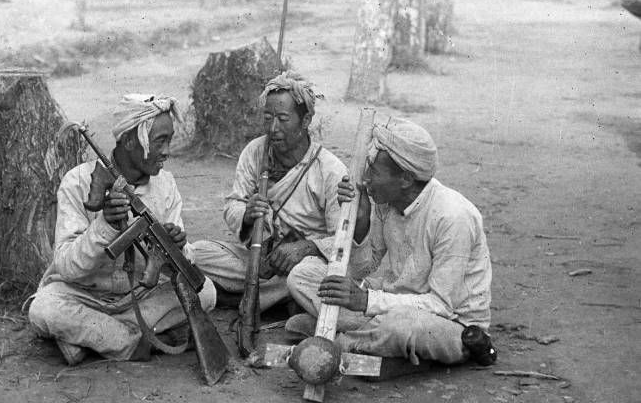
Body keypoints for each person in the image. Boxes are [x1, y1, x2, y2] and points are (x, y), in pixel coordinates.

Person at [286, 116, 492, 368]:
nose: (364, 178)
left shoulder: (453, 216)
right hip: (392, 300)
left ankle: (338, 342)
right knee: (303, 274)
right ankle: (364, 338)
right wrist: (360, 219)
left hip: (448, 322)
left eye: (373, 170)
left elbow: (441, 305)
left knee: (402, 326)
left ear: (405, 179)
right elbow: (364, 266)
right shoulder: (387, 202)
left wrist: (366, 301)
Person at [28, 94, 216, 366]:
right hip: (84, 295)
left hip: (140, 296)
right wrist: (103, 227)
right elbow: (67, 267)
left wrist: (177, 247)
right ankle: (129, 342)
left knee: (206, 292)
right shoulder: (78, 182)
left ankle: (94, 337)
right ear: (129, 141)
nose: (167, 151)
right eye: (159, 141)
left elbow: (178, 269)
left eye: (169, 140)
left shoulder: (166, 186)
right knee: (43, 309)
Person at [191, 72, 348, 313]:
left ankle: (243, 298)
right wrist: (246, 213)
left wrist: (305, 248)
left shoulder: (330, 170)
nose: (273, 128)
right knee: (196, 253)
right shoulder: (255, 151)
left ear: (305, 120)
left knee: (302, 277)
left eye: (283, 119)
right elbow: (233, 204)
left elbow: (341, 241)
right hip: (258, 257)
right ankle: (276, 300)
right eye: (267, 118)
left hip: (302, 264)